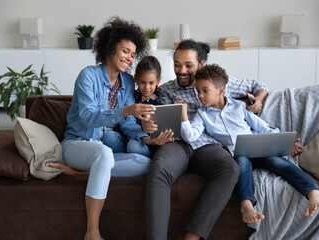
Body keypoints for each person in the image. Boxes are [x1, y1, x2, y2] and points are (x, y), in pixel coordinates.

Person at [143, 39, 270, 240]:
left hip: (208, 145)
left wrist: (258, 102)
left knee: (230, 169)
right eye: (177, 64)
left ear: (201, 64)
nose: (181, 70)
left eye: (188, 65)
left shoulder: (216, 82)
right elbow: (158, 120)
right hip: (178, 143)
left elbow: (258, 85)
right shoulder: (166, 89)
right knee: (159, 169)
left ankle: (192, 238)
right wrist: (151, 128)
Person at [48, 17, 157, 240]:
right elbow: (88, 118)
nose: (129, 58)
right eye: (125, 51)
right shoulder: (88, 75)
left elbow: (127, 123)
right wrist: (126, 110)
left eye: (132, 54)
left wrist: (146, 135)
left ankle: (83, 173)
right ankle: (92, 232)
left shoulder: (127, 81)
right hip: (78, 144)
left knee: (147, 164)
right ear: (110, 47)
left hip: (102, 151)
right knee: (105, 153)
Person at [179, 64, 319, 225]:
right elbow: (190, 136)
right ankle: (246, 204)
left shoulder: (239, 107)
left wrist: (285, 143)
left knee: (277, 162)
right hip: (237, 153)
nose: (200, 95)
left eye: (205, 90)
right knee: (242, 163)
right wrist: (184, 115)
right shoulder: (202, 114)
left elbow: (263, 127)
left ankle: (312, 192)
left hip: (257, 147)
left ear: (221, 90)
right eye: (198, 91)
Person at [132, 55, 174, 156]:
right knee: (132, 144)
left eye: (151, 83)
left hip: (152, 143)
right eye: (142, 82)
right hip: (133, 137)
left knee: (133, 146)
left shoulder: (160, 103)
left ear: (158, 81)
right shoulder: (132, 97)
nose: (147, 87)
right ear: (135, 79)